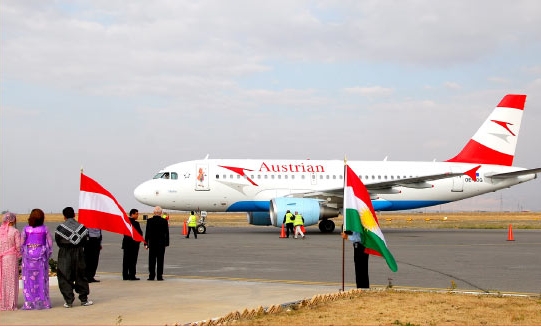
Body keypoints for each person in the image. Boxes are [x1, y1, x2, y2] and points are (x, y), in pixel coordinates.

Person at [55, 207, 93, 307]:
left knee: (64, 275)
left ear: (64, 216)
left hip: (64, 253)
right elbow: (85, 241)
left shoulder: (60, 228)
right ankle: (84, 300)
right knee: (81, 275)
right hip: (79, 252)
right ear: (74, 215)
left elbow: (58, 241)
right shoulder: (82, 227)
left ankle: (68, 301)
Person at [20, 209, 53, 310]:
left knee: (28, 279)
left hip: (28, 256)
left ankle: (29, 302)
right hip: (41, 256)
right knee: (41, 278)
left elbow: (21, 243)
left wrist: (25, 252)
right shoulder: (45, 229)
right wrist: (47, 253)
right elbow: (50, 243)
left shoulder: (26, 229)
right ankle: (43, 302)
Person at [0, 212, 21, 311]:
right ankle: (11, 303)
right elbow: (18, 246)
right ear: (14, 220)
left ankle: (2, 302)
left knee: (2, 280)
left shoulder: (0, 231)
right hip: (11, 258)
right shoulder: (15, 231)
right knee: (11, 280)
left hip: (1, 258)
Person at [145, 206, 169, 281]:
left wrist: (146, 243)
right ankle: (159, 276)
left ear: (154, 212)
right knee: (160, 260)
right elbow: (166, 233)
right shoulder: (164, 221)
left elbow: (147, 233)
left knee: (151, 260)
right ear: (161, 213)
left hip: (152, 243)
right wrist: (166, 243)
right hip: (161, 243)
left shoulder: (149, 221)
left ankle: (151, 276)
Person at [122, 209, 144, 280]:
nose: (137, 215)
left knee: (126, 260)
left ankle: (125, 275)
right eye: (136, 214)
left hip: (126, 244)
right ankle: (132, 275)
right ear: (132, 214)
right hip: (134, 245)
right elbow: (140, 233)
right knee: (133, 261)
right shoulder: (135, 223)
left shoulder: (125, 222)